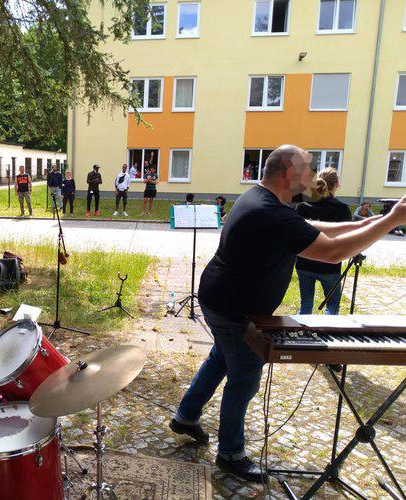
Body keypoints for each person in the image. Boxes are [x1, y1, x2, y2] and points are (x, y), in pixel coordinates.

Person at [170, 145, 406, 483]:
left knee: (221, 358)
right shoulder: (270, 212)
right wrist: (393, 221)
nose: (311, 177)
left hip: (220, 299)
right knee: (244, 378)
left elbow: (307, 225)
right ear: (287, 174)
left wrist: (374, 222)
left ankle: (186, 416)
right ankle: (231, 453)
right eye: (307, 170)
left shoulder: (262, 199)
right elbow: (333, 252)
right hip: (233, 308)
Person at [295, 168, 351, 315]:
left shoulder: (303, 206)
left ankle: (302, 336)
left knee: (305, 305)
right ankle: (325, 337)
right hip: (329, 264)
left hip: (304, 262)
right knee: (332, 305)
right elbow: (347, 238)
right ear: (337, 184)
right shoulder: (342, 209)